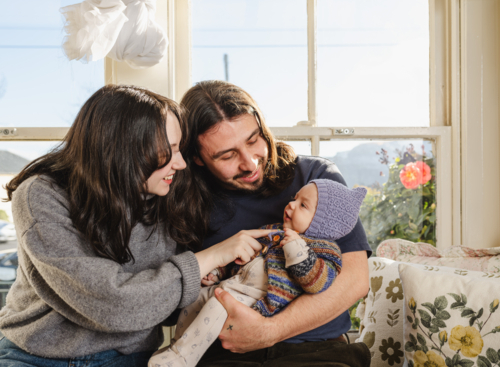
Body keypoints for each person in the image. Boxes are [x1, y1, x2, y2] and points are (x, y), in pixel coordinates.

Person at [0, 84, 271, 367]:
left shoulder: (173, 195)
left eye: (180, 149)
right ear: (122, 151)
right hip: (34, 355)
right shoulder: (41, 194)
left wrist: (197, 281)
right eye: (169, 151)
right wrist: (208, 259)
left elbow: (159, 310)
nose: (180, 164)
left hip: (128, 358)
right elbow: (111, 305)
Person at [166, 80, 373, 367]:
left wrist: (269, 332)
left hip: (317, 350)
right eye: (227, 155)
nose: (250, 163)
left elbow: (355, 280)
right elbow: (165, 302)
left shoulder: (316, 181)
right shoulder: (182, 200)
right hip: (222, 352)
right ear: (197, 159)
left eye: (253, 140)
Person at [149, 179, 367, 367]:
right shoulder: (274, 231)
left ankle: (183, 358)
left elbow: (316, 282)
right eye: (295, 198)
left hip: (257, 298)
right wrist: (219, 272)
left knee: (216, 308)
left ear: (322, 223)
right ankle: (176, 347)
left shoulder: (325, 251)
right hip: (233, 284)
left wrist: (297, 249)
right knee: (195, 300)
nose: (290, 205)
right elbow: (243, 256)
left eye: (303, 205)